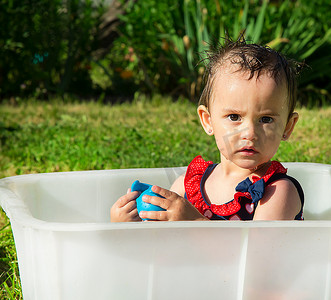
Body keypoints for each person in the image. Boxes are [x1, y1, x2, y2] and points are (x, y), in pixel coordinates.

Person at [111, 33, 304, 222]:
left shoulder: (277, 192)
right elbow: (162, 243)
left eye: (266, 119)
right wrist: (129, 226)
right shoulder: (188, 185)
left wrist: (194, 222)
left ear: (287, 127)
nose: (250, 133)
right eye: (234, 117)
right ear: (208, 121)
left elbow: (257, 251)